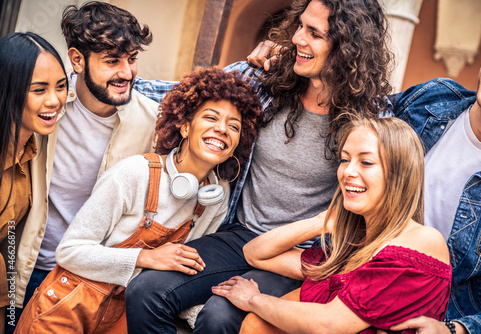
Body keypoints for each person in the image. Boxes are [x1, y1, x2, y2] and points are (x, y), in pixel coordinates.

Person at [127, 0, 393, 332]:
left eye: (314, 33)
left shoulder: (372, 117)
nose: (298, 38)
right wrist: (95, 84)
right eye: (300, 26)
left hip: (300, 252)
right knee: (146, 291)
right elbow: (185, 96)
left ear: (347, 48)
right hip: (238, 233)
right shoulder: (263, 78)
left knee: (219, 316)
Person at [13, 66, 262, 333]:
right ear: (186, 127)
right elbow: (70, 252)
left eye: (233, 126)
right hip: (66, 311)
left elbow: (181, 278)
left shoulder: (215, 199)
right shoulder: (134, 173)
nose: (222, 129)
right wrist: (145, 258)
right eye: (211, 118)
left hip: (124, 320)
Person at [213, 116, 452, 334]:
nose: (348, 171)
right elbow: (256, 254)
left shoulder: (422, 240)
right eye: (345, 159)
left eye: (366, 162)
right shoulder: (355, 249)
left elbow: (329, 324)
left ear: (400, 174)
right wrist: (321, 222)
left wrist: (253, 299)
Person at [7, 2, 159, 332]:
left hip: (93, 283)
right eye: (112, 61)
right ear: (77, 59)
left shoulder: (152, 123)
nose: (127, 72)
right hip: (26, 269)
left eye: (131, 59)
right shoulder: (48, 105)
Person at [376, 33, 481, 334]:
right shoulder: (435, 98)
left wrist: (453, 330)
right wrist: (282, 59)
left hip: (434, 317)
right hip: (361, 275)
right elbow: (360, 106)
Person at [0, 32, 67, 334]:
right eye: (39, 90)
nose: (54, 100)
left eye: (61, 87)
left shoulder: (31, 154)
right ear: (9, 89)